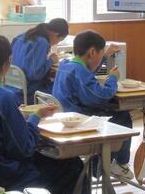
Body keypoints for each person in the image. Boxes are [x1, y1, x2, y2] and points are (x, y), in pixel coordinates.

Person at [0, 34, 90, 194]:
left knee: (58, 163)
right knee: (72, 164)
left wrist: (16, 115)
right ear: (8, 61)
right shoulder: (4, 98)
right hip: (10, 177)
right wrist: (36, 116)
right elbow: (25, 149)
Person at [52, 29, 133, 180]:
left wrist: (104, 56)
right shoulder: (79, 71)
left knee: (112, 112)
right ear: (92, 52)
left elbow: (87, 74)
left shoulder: (65, 65)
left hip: (65, 115)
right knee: (123, 117)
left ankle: (100, 163)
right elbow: (100, 96)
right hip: (80, 119)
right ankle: (117, 164)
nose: (101, 59)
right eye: (100, 55)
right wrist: (112, 79)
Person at [10, 19, 69, 99]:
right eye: (59, 40)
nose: (57, 43)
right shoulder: (41, 42)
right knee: (61, 89)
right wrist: (51, 60)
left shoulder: (21, 36)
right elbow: (35, 74)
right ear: (56, 34)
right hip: (28, 90)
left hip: (11, 86)